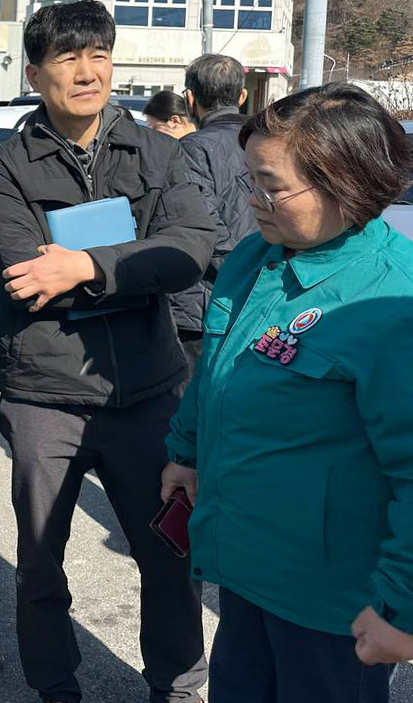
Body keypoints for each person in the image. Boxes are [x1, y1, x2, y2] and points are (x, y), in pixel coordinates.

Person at [0, 0, 214, 703]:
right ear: (35, 72)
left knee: (170, 556)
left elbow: (191, 251)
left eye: (99, 55)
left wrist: (84, 267)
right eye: (68, 57)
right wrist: (136, 265)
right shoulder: (2, 169)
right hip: (44, 397)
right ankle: (56, 688)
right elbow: (25, 275)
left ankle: (177, 685)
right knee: (40, 563)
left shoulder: (159, 152)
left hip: (146, 394)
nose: (88, 72)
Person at [163, 84, 413, 702]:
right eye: (252, 182)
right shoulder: (257, 258)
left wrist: (401, 608)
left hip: (332, 599)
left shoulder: (390, 301)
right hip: (246, 565)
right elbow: (215, 369)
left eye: (273, 187)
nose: (254, 203)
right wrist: (185, 451)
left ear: (347, 183)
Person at [172, 54, 258, 367]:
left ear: (190, 98)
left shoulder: (193, 148)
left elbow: (203, 226)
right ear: (242, 96)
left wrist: (241, 274)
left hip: (210, 304)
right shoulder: (272, 141)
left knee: (199, 403)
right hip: (267, 296)